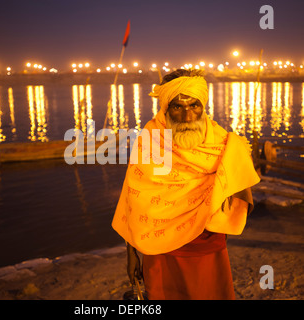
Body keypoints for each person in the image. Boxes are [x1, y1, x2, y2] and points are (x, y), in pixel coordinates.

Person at [111, 69, 260, 300]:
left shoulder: (224, 143)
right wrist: (131, 253)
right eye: (177, 107)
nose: (187, 115)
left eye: (194, 106)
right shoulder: (151, 140)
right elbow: (135, 198)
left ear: (204, 106)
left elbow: (237, 196)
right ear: (165, 108)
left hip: (207, 247)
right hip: (159, 248)